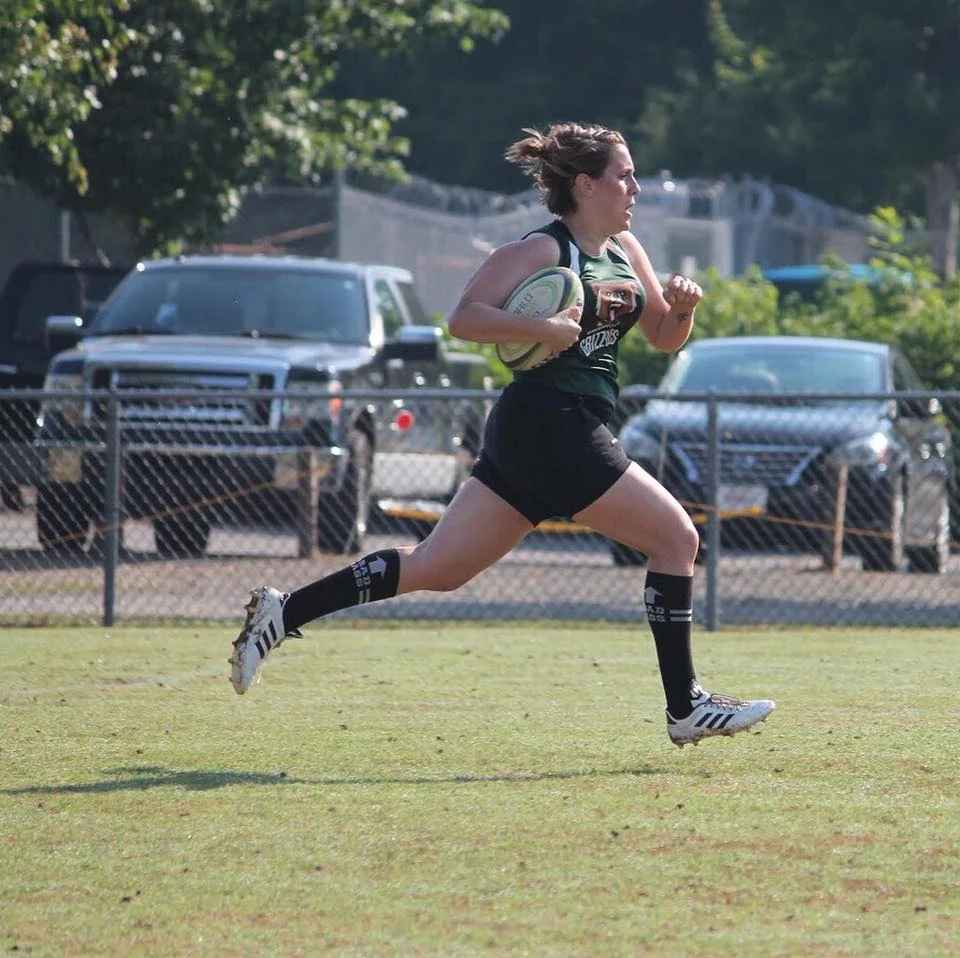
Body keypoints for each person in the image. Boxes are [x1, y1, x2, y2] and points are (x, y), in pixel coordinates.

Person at [229, 122, 775, 748]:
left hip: (555, 427)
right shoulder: (540, 251)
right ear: (584, 184)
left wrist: (683, 308)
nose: (635, 187)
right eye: (623, 175)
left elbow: (661, 336)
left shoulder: (626, 247)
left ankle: (283, 610)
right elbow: (463, 317)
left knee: (437, 568)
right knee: (677, 537)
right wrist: (545, 330)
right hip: (551, 422)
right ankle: (686, 706)